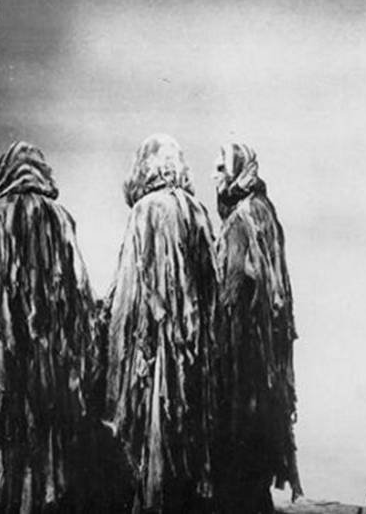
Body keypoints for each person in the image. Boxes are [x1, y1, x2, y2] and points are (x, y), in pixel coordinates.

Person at [0, 141, 100, 512]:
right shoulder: (61, 217)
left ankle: (9, 501)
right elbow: (77, 293)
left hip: (7, 356)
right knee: (47, 433)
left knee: (9, 433)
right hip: (50, 353)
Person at [105, 134, 218, 514]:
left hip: (152, 352)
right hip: (194, 351)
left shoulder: (146, 210)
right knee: (185, 438)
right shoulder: (197, 211)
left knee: (153, 436)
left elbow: (130, 293)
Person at [213, 143, 303, 513]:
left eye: (221, 168)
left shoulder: (240, 220)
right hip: (267, 358)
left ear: (237, 171)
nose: (215, 176)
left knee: (240, 442)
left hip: (244, 352)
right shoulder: (265, 210)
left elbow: (232, 291)